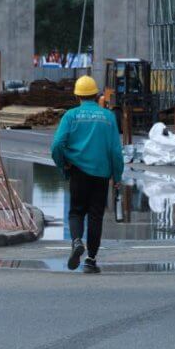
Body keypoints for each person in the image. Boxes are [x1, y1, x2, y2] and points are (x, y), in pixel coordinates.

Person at [50, 75, 124, 273]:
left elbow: (57, 144)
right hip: (101, 175)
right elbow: (116, 152)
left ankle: (76, 241)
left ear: (77, 96)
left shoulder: (71, 116)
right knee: (95, 216)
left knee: (76, 211)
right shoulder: (108, 117)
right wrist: (117, 177)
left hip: (78, 172)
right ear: (95, 94)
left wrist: (62, 164)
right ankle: (91, 260)